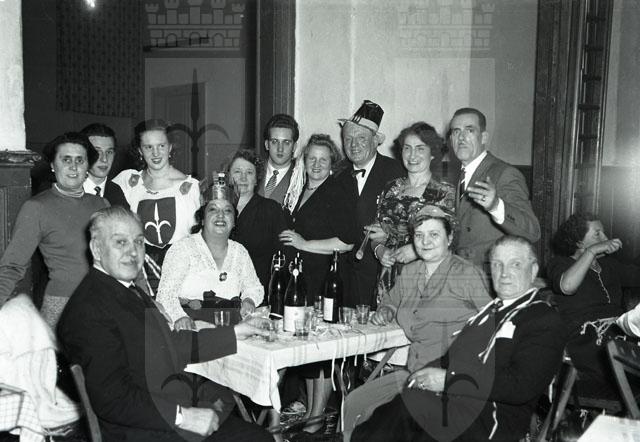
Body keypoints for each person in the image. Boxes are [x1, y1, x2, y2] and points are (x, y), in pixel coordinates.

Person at [57, 206, 272, 442]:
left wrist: (235, 332)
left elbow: (170, 344)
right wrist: (183, 417)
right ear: (96, 249)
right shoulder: (89, 309)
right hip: (142, 430)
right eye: (120, 242)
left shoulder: (123, 290)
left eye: (139, 242)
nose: (133, 252)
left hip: (164, 410)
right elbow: (113, 399)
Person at [351, 236, 567, 442]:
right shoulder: (490, 312)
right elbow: (451, 359)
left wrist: (449, 380)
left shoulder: (541, 318)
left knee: (406, 411)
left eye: (515, 265)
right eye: (497, 265)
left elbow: (519, 385)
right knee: (393, 408)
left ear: (533, 270)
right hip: (457, 406)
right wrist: (425, 374)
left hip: (490, 420)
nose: (504, 273)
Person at [343, 205, 490, 441]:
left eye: (434, 234)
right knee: (353, 403)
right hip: (413, 373)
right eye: (419, 235)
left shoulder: (466, 275)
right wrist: (386, 311)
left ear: (449, 238)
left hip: (448, 380)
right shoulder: (410, 272)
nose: (425, 241)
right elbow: (391, 301)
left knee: (379, 422)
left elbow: (494, 325)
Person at [278, 134, 354, 434]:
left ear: (332, 163)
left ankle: (317, 420)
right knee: (308, 349)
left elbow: (346, 242)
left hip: (324, 279)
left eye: (323, 159)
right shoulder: (303, 189)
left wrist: (303, 244)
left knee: (320, 350)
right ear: (304, 160)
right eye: (312, 158)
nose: (317, 164)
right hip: (304, 278)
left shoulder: (336, 190)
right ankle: (311, 413)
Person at [0, 132, 107, 326]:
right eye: (66, 160)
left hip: (104, 301)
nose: (73, 167)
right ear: (52, 165)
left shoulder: (102, 204)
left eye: (80, 160)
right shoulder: (37, 207)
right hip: (63, 306)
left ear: (87, 167)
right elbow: (13, 266)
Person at [548, 213, 640, 397]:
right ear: (578, 242)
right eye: (597, 234)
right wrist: (591, 252)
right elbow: (567, 286)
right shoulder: (560, 263)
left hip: (617, 331)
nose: (605, 238)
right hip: (585, 339)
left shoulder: (610, 265)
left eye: (604, 233)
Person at [113, 119, 201, 295]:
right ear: (140, 150)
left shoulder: (190, 187)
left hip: (181, 272)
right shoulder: (128, 182)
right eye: (148, 147)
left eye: (161, 146)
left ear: (170, 147)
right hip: (139, 274)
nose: (155, 153)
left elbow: (197, 238)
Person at [369, 122, 455, 297]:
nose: (412, 155)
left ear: (433, 153)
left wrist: (416, 250)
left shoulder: (444, 192)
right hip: (388, 278)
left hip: (426, 278)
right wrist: (380, 251)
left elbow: (450, 240)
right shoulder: (391, 188)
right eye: (407, 148)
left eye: (420, 148)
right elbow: (376, 234)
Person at [333, 100, 405, 307]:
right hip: (345, 279)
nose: (353, 145)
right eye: (348, 139)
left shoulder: (396, 172)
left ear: (376, 141)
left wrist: (390, 233)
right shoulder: (338, 176)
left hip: (381, 275)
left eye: (361, 138)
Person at [157, 195, 264, 331]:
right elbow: (165, 294)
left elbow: (254, 287)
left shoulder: (239, 252)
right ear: (202, 219)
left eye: (227, 210)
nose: (221, 215)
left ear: (234, 222)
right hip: (189, 330)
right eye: (213, 209)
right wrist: (180, 317)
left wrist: (249, 300)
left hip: (230, 331)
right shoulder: (183, 248)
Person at [450, 107, 540, 269]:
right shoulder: (459, 175)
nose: (461, 137)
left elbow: (532, 231)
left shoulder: (504, 173)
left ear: (484, 137)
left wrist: (496, 206)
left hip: (489, 274)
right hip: (461, 272)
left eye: (469, 130)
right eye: (456, 131)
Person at [227, 149, 287, 291]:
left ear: (256, 179)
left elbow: (283, 255)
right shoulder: (216, 208)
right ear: (229, 176)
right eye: (237, 172)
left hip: (257, 292)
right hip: (221, 292)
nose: (243, 178)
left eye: (249, 173)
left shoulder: (271, 209)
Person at [80, 123, 129, 209]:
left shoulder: (119, 192)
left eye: (109, 152)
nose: (104, 159)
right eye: (97, 152)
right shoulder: (69, 191)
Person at [259, 114, 299, 205]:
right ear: (266, 145)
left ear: (294, 147)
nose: (280, 148)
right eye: (274, 141)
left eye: (286, 142)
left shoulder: (299, 179)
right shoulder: (254, 171)